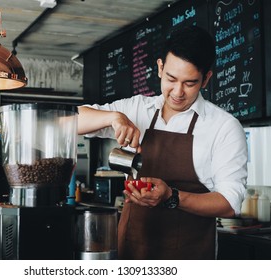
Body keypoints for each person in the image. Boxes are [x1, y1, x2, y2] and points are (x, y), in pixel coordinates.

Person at [77, 25, 248, 260]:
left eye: (190, 83)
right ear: (160, 68)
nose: (178, 92)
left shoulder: (224, 127)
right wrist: (113, 117)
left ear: (206, 79)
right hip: (131, 253)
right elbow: (69, 123)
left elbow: (230, 203)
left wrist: (171, 196)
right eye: (171, 78)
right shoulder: (137, 109)